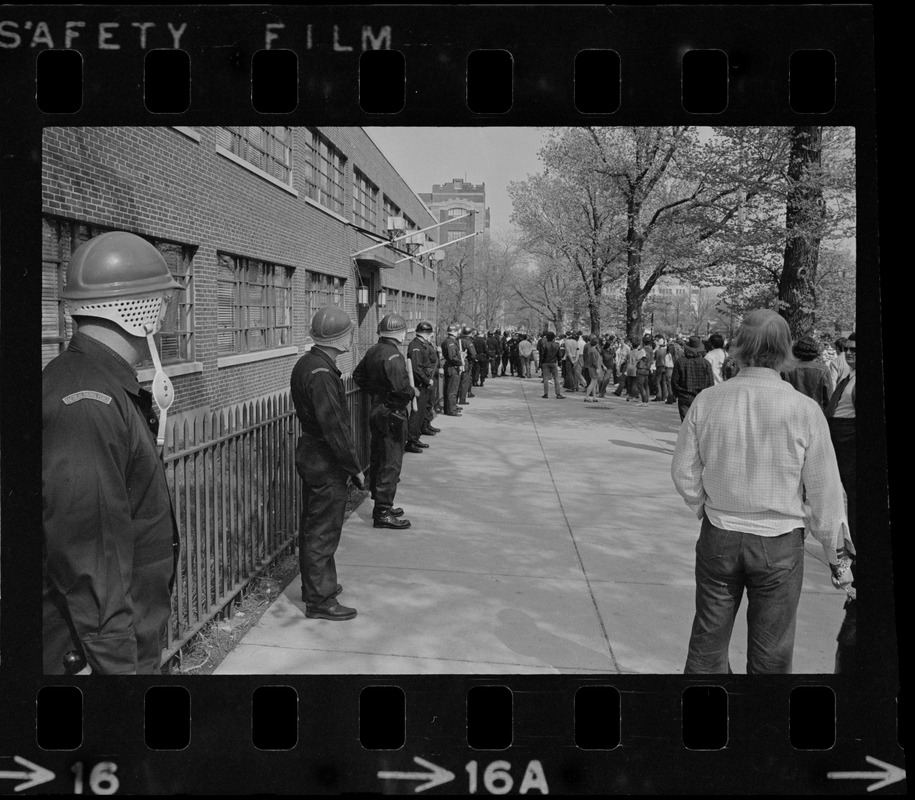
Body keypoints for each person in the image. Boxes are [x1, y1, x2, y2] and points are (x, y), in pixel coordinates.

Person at [671, 309, 853, 674]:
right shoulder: (804, 410)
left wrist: (704, 506)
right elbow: (826, 494)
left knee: (707, 644)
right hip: (779, 541)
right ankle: (762, 726)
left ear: (738, 348)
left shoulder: (708, 400)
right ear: (785, 350)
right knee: (771, 655)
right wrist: (840, 561)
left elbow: (684, 472)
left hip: (720, 532)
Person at [43, 231, 184, 674]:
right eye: (161, 299)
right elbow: (92, 554)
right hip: (99, 657)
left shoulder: (99, 384)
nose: (166, 309)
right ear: (140, 308)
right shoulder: (88, 401)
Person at [291, 307, 366, 621]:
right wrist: (354, 467)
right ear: (339, 337)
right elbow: (334, 426)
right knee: (323, 529)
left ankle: (319, 588)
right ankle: (320, 599)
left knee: (315, 526)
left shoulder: (310, 364)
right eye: (348, 332)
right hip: (325, 459)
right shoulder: (322, 372)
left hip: (314, 454)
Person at [353, 313, 417, 529]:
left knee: (379, 457)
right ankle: (383, 511)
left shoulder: (373, 351)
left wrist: (376, 393)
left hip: (378, 408)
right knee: (391, 461)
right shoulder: (393, 356)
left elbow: (358, 376)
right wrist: (412, 392)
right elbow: (401, 389)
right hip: (393, 412)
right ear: (400, 334)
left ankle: (381, 505)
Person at [825, 333, 856, 671]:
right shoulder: (846, 373)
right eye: (846, 349)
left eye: (854, 350)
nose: (849, 354)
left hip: (849, 442)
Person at [407, 321, 438, 451]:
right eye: (430, 334)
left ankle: (415, 437)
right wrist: (426, 380)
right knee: (416, 414)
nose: (431, 336)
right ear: (425, 334)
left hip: (422, 384)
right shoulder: (416, 347)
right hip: (419, 384)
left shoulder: (421, 345)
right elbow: (416, 369)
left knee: (420, 414)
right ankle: (411, 441)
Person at [782, 335, 832, 411]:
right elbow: (829, 398)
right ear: (815, 351)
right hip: (816, 412)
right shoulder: (823, 370)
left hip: (793, 411)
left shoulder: (787, 369)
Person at [671, 335, 715, 421]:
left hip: (684, 396)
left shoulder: (680, 362)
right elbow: (710, 383)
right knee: (698, 423)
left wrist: (678, 394)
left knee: (685, 423)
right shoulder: (705, 363)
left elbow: (674, 381)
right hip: (701, 397)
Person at [441, 323, 463, 416]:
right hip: (452, 367)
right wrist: (460, 362)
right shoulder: (450, 342)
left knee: (449, 389)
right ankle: (451, 410)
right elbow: (452, 356)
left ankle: (449, 408)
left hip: (450, 367)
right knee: (452, 390)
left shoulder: (449, 341)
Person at [539, 331, 566, 399]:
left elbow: (542, 355)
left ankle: (546, 393)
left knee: (545, 378)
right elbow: (559, 355)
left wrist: (540, 363)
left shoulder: (544, 344)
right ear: (554, 337)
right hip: (553, 362)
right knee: (556, 378)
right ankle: (558, 393)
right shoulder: (556, 345)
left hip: (545, 362)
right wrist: (559, 363)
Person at [583, 334, 603, 402]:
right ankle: (587, 397)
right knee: (593, 382)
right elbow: (594, 361)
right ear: (596, 343)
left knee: (594, 382)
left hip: (590, 367)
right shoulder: (594, 351)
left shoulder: (590, 349)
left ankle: (594, 397)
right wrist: (597, 368)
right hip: (594, 368)